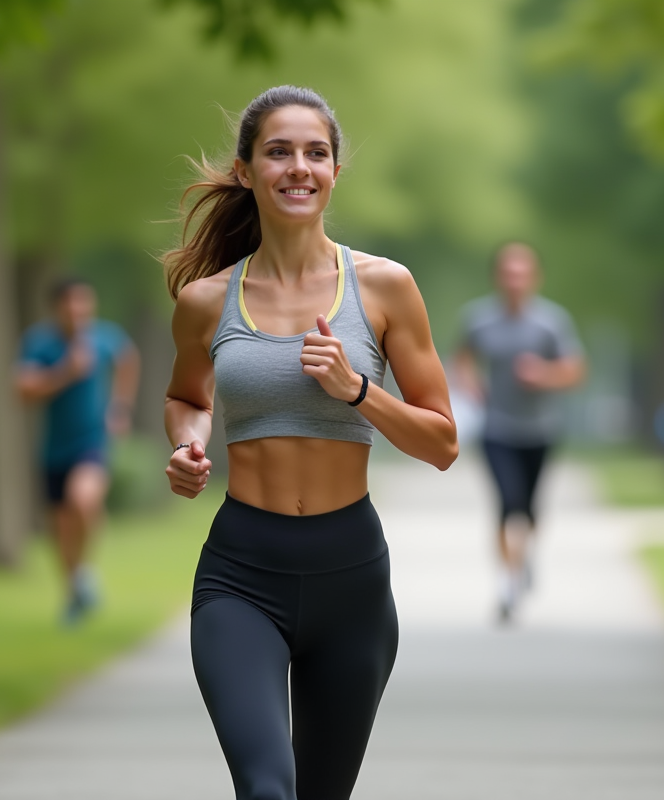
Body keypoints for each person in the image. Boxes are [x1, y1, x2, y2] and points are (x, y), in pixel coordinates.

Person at [161, 85, 458, 800]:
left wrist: (357, 390)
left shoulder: (385, 288)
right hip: (241, 574)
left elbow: (443, 442)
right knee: (267, 788)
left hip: (349, 578)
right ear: (245, 171)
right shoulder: (207, 300)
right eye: (279, 152)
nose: (299, 166)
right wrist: (189, 444)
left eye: (316, 153)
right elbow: (187, 397)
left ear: (334, 171)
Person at [454, 242, 585, 624]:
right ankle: (507, 585)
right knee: (506, 502)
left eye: (522, 274)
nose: (515, 281)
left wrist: (543, 374)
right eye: (508, 273)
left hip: (540, 430)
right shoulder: (478, 319)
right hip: (496, 428)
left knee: (529, 509)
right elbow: (462, 358)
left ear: (534, 278)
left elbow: (575, 370)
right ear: (497, 277)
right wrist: (470, 384)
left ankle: (524, 557)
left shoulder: (552, 322)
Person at [16, 278, 140, 625]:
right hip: (54, 449)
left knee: (83, 501)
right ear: (56, 308)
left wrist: (120, 406)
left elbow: (128, 359)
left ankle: (85, 573)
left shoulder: (103, 337)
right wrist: (65, 373)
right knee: (61, 529)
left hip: (92, 441)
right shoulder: (40, 343)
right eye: (70, 304)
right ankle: (74, 591)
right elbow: (23, 391)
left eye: (83, 303)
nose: (77, 311)